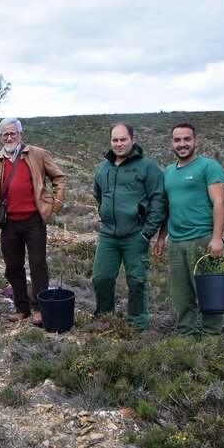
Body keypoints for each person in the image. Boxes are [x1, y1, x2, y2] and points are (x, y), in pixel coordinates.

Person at [0, 118, 66, 326]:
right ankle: (22, 308)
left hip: (33, 220)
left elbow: (59, 177)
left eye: (13, 133)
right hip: (9, 222)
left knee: (38, 264)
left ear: (21, 134)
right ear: (0, 137)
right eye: (5, 134)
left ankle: (40, 308)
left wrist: (57, 202)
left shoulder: (37, 154)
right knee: (13, 266)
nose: (9, 137)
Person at [153, 123, 224, 338]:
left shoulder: (209, 167)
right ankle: (187, 338)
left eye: (187, 139)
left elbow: (220, 203)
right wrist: (161, 238)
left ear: (196, 141)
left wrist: (217, 238)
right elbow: (169, 207)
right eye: (177, 140)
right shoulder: (168, 171)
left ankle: (213, 340)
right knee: (181, 294)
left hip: (203, 239)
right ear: (172, 143)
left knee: (208, 292)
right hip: (176, 242)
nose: (182, 144)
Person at [92, 123, 167, 331]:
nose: (119, 144)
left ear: (133, 140)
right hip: (108, 234)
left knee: (137, 281)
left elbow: (159, 200)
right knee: (101, 278)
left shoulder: (147, 167)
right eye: (115, 140)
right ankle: (104, 318)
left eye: (123, 139)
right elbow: (98, 194)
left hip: (136, 234)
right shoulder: (102, 168)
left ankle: (137, 325)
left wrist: (147, 233)